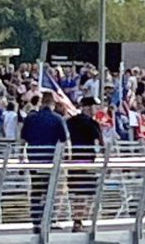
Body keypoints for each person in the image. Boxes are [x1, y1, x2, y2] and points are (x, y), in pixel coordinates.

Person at [21, 92, 69, 227]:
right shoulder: (58, 119)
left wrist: (20, 155)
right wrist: (66, 157)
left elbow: (23, 139)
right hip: (51, 159)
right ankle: (49, 219)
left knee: (36, 188)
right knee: (51, 190)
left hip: (34, 159)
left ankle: (36, 218)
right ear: (52, 104)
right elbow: (64, 140)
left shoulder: (31, 119)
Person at [65, 96, 103, 229]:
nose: (96, 109)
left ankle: (77, 219)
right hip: (87, 162)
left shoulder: (70, 122)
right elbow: (99, 144)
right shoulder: (92, 124)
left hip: (72, 162)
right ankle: (79, 220)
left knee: (76, 193)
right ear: (88, 107)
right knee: (86, 194)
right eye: (94, 106)